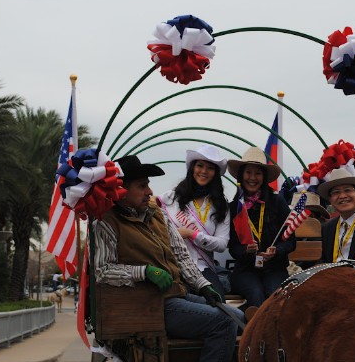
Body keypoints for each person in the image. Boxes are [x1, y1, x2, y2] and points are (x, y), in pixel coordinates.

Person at [93, 155, 243, 362]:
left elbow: (181, 256)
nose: (150, 192)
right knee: (224, 323)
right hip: (146, 303)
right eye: (142, 186)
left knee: (239, 317)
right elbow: (103, 270)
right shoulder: (106, 223)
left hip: (173, 293)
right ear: (122, 191)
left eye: (148, 185)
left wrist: (202, 285)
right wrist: (144, 272)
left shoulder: (158, 215)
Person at [157, 145, 230, 301]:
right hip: (173, 266)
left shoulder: (221, 205)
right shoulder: (171, 198)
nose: (204, 171)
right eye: (200, 165)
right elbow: (148, 207)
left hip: (204, 269)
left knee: (219, 305)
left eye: (210, 168)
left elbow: (222, 244)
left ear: (216, 173)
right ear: (192, 168)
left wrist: (192, 234)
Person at [227, 147, 296, 307]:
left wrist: (276, 250)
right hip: (245, 270)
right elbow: (232, 247)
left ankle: (257, 329)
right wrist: (246, 251)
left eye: (257, 173)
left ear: (264, 177)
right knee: (256, 293)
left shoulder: (278, 202)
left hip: (275, 269)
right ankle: (255, 331)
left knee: (274, 294)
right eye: (248, 172)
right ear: (241, 175)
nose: (252, 178)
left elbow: (291, 241)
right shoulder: (235, 207)